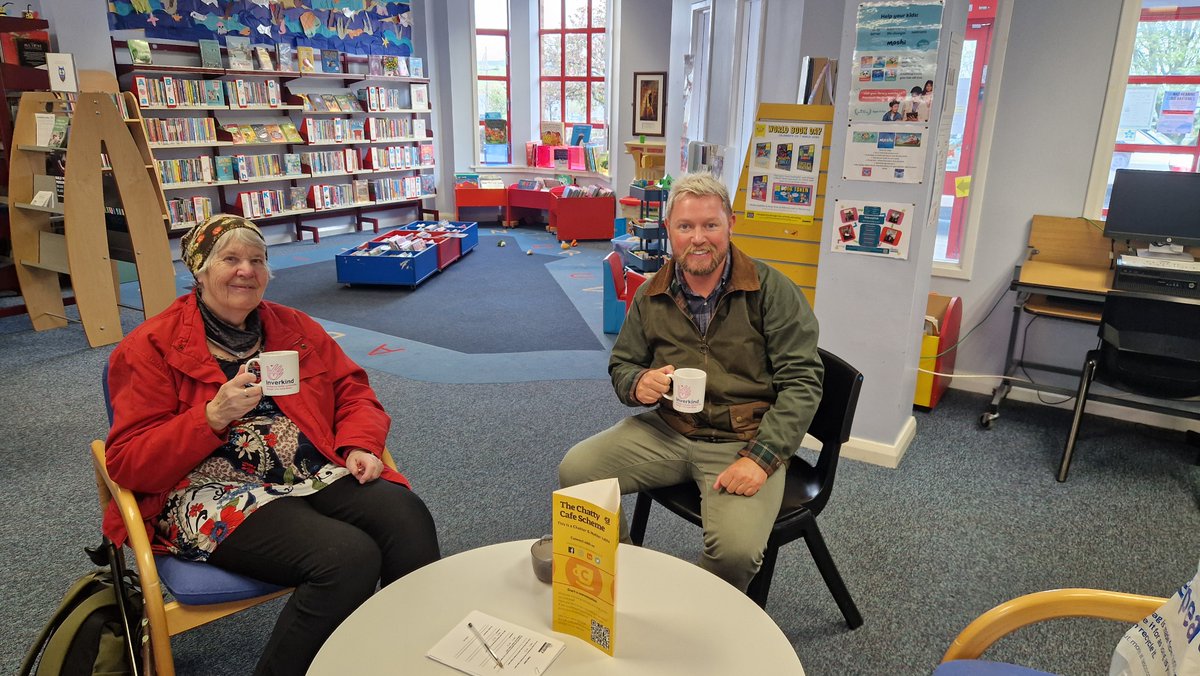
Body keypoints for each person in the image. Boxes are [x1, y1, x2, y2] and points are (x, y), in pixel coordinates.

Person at [103, 215, 440, 675]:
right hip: (207, 489)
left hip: (310, 467)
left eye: (257, 260)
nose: (247, 270)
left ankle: (410, 655)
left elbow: (354, 392)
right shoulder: (150, 347)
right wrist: (210, 417)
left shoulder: (292, 327)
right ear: (199, 271)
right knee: (345, 558)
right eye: (231, 259)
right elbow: (127, 461)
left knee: (406, 516)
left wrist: (360, 444)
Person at [558, 173, 823, 592]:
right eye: (685, 227)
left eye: (710, 225)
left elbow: (803, 383)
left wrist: (762, 457)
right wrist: (637, 382)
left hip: (744, 441)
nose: (698, 239)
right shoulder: (652, 294)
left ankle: (692, 620)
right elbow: (622, 363)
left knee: (736, 551)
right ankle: (626, 580)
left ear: (730, 224)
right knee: (576, 472)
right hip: (669, 430)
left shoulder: (772, 292)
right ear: (670, 232)